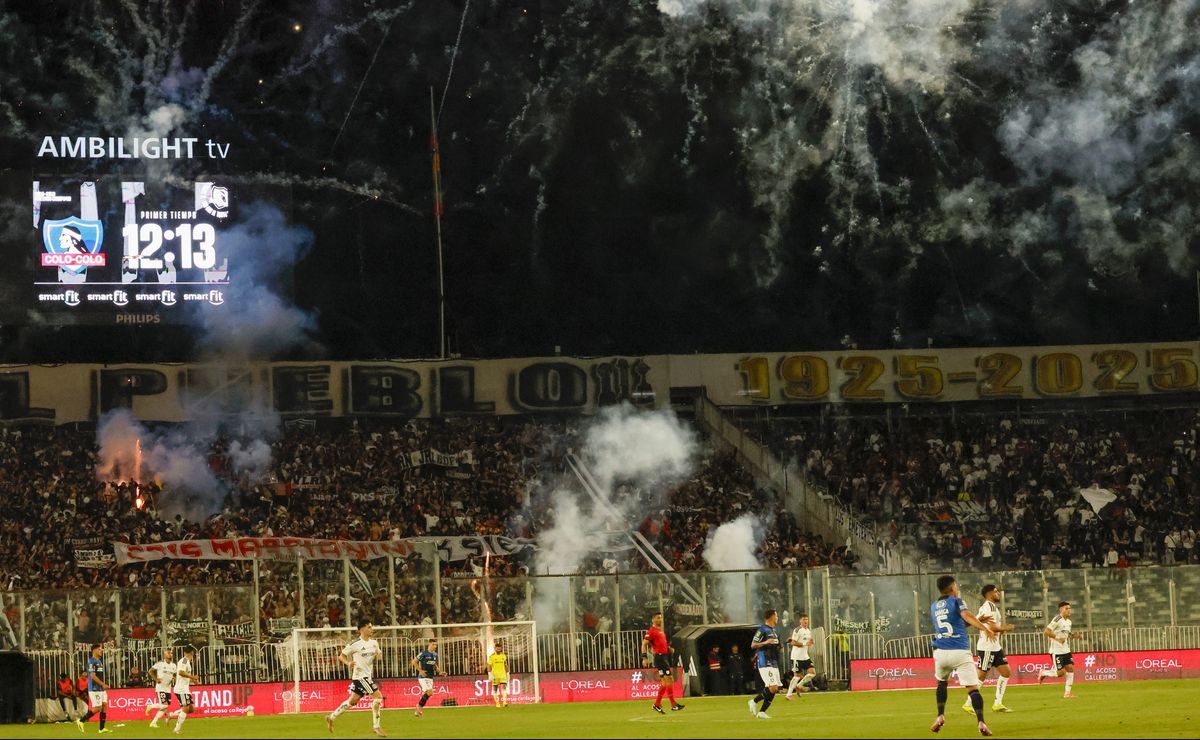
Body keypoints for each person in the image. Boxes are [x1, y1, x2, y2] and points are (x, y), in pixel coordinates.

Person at [928, 575, 994, 737]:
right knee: (973, 689)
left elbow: (954, 621)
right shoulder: (956, 601)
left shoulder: (934, 606)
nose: (957, 589)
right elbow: (966, 616)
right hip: (960, 651)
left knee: (941, 683)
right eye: (956, 587)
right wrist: (984, 628)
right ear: (952, 589)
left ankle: (940, 716)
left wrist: (977, 619)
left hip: (941, 652)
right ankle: (981, 722)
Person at [326, 620, 386, 736]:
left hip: (367, 676)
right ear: (362, 629)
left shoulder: (374, 643)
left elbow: (378, 654)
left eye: (371, 627)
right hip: (360, 677)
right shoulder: (355, 644)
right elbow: (341, 656)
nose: (371, 629)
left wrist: (378, 656)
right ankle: (376, 726)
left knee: (352, 701)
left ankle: (331, 717)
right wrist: (348, 663)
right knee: (378, 697)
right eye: (369, 627)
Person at [961, 585, 1014, 714]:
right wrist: (1006, 628)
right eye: (996, 592)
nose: (998, 594)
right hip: (987, 647)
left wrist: (1001, 630)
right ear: (990, 593)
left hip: (995, 646)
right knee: (981, 677)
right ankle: (968, 704)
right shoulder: (988, 607)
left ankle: (998, 703)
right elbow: (992, 628)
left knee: (1006, 672)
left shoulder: (991, 607)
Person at [641, 611, 683, 713]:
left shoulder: (660, 631)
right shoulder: (651, 631)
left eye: (661, 618)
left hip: (663, 657)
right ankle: (673, 704)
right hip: (660, 658)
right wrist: (644, 657)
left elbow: (661, 644)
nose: (660, 619)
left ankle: (657, 704)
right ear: (653, 620)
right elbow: (644, 644)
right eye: (658, 618)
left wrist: (669, 648)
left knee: (664, 682)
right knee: (669, 680)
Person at [1038, 601, 1078, 698]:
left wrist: (1075, 636)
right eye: (1066, 608)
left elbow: (1066, 634)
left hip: (1066, 650)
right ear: (1061, 609)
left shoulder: (1069, 622)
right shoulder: (1057, 619)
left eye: (1070, 608)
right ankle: (1043, 672)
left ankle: (1067, 693)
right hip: (1056, 651)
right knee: (1061, 673)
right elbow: (1047, 631)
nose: (1069, 610)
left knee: (1070, 668)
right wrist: (1058, 638)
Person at [748, 609, 782, 719]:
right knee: (773, 688)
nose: (777, 618)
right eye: (776, 616)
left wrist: (779, 646)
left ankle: (762, 712)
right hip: (764, 661)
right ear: (771, 617)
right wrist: (765, 642)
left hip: (774, 662)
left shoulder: (774, 631)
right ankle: (753, 701)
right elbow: (753, 645)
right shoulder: (762, 629)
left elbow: (774, 645)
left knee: (774, 688)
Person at [74, 643, 112, 734]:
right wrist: (103, 684)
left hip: (101, 689)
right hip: (94, 688)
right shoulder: (91, 661)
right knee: (97, 708)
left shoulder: (99, 661)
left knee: (104, 706)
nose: (101, 650)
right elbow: (93, 676)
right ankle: (81, 721)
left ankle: (101, 729)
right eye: (99, 649)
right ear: (94, 650)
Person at [166, 645, 200, 734]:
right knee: (186, 708)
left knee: (192, 709)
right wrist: (193, 677)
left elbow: (184, 674)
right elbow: (181, 672)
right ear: (192, 653)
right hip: (181, 689)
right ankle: (176, 729)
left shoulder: (187, 661)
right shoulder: (184, 660)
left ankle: (171, 714)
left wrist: (193, 680)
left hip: (184, 688)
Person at [784, 613, 816, 700]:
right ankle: (789, 694)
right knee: (797, 675)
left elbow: (806, 642)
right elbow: (793, 642)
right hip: (796, 657)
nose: (805, 621)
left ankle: (799, 685)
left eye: (807, 619)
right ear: (800, 621)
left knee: (812, 673)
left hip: (805, 656)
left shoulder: (808, 631)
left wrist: (811, 642)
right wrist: (806, 643)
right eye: (804, 619)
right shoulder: (797, 630)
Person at [412, 639, 444, 717]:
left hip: (430, 677)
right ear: (429, 644)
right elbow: (414, 662)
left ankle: (418, 710)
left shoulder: (435, 655)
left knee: (428, 694)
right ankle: (419, 707)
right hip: (423, 677)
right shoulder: (423, 653)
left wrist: (439, 672)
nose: (435, 646)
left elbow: (434, 665)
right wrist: (420, 671)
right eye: (433, 644)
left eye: (436, 645)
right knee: (430, 692)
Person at [145, 647, 177, 728]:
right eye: (168, 653)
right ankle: (150, 706)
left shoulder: (173, 665)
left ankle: (153, 722)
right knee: (164, 705)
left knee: (164, 707)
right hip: (160, 687)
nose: (170, 654)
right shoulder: (160, 663)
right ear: (164, 654)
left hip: (168, 688)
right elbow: (150, 671)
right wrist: (156, 679)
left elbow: (174, 675)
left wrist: (174, 678)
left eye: (171, 653)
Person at [487, 640, 509, 707]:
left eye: (500, 648)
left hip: (502, 674)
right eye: (497, 648)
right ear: (495, 648)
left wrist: (507, 673)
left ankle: (505, 702)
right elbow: (489, 666)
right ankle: (497, 703)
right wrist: (490, 674)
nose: (498, 649)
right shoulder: (492, 657)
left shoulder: (504, 656)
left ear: (501, 648)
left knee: (504, 687)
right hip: (495, 675)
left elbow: (505, 665)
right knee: (495, 688)